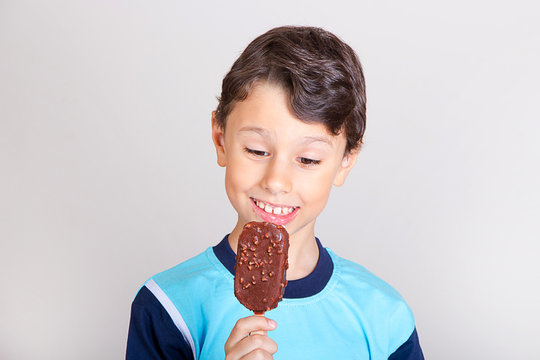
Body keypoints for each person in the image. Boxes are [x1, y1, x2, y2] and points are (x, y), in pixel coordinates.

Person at [126, 26, 424, 359]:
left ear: (344, 163)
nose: (276, 181)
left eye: (308, 159)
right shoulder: (168, 307)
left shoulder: (384, 315)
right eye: (256, 150)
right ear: (220, 139)